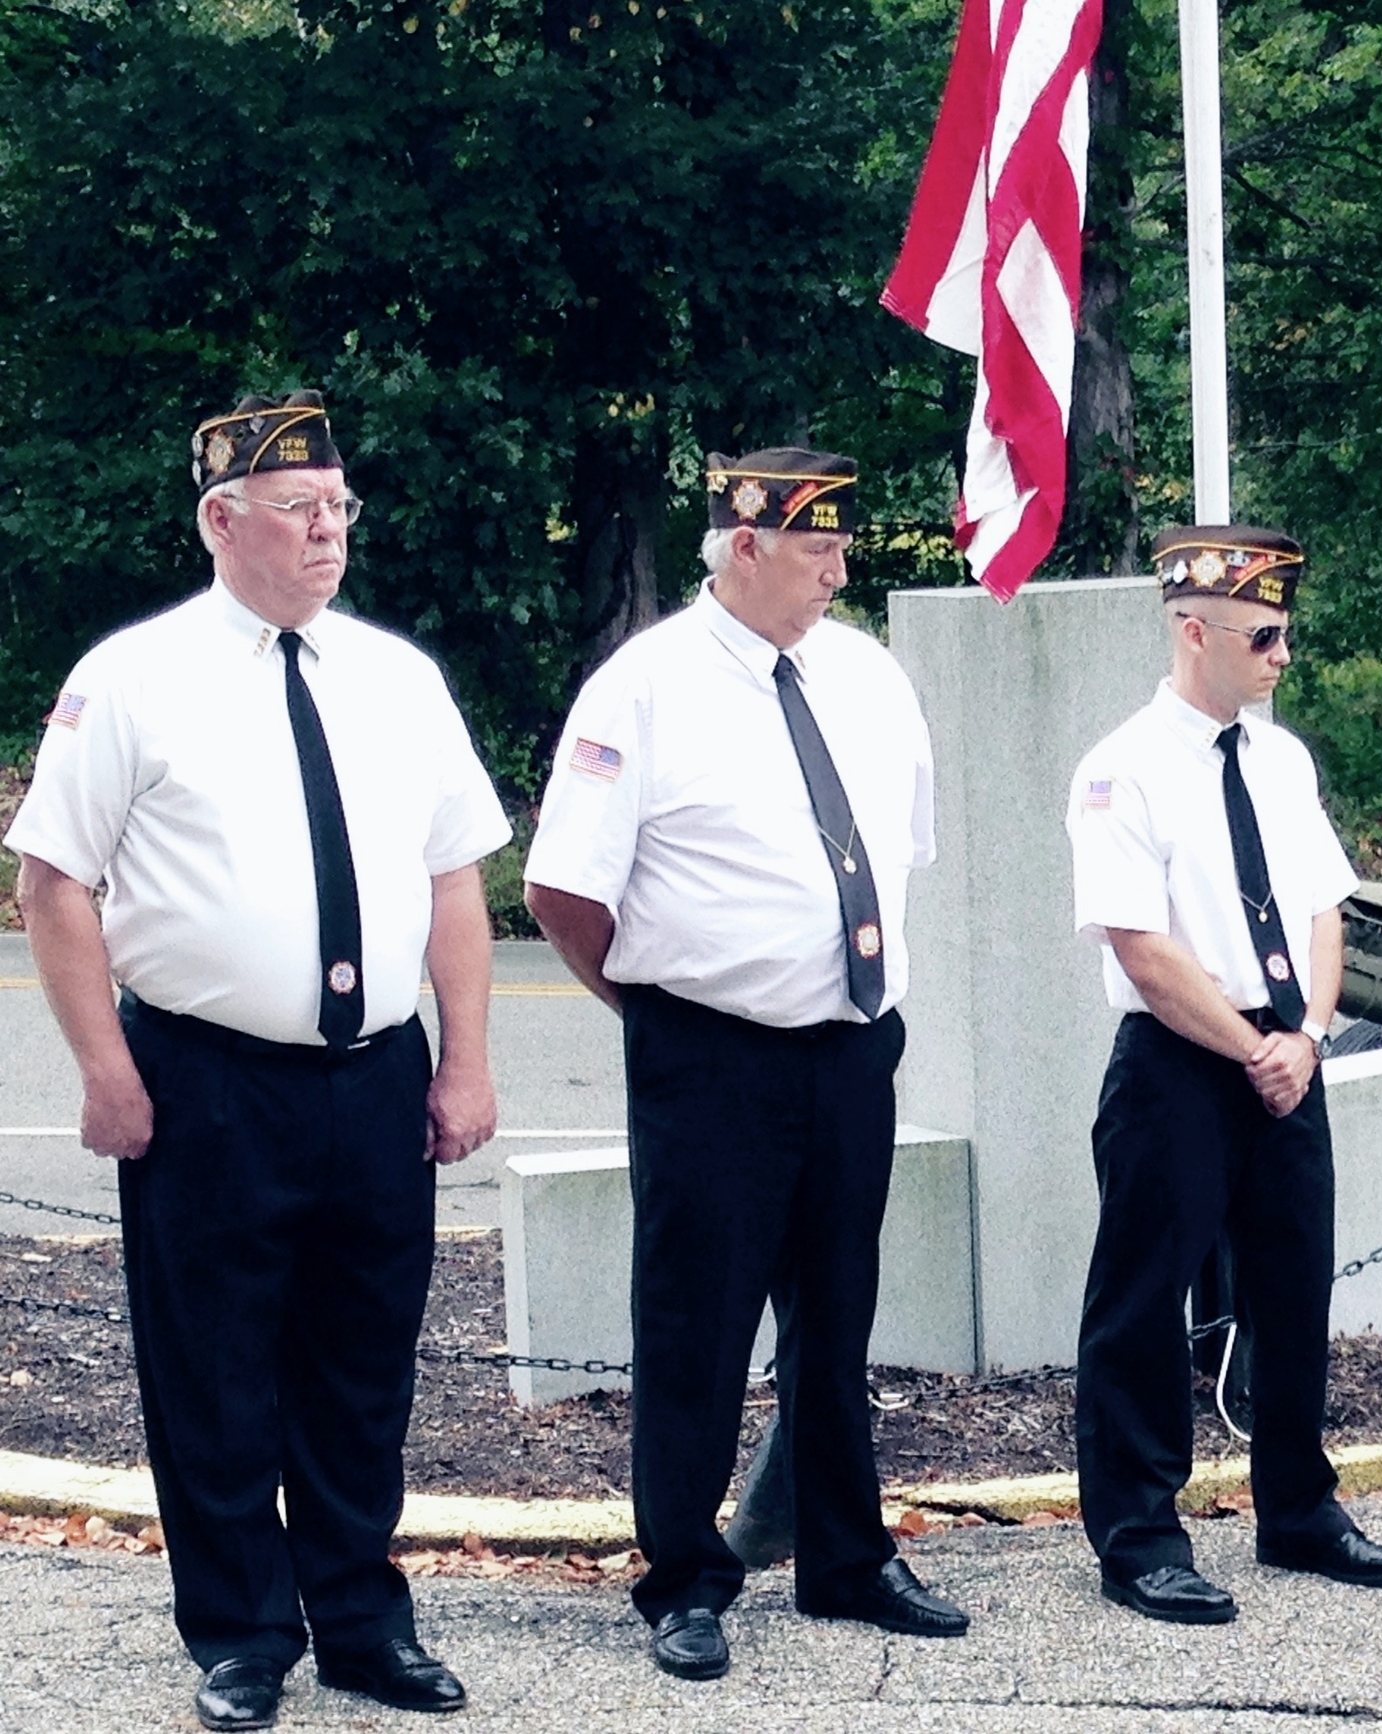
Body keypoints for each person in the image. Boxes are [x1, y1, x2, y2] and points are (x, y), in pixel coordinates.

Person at [5, 392, 509, 1731]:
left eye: (340, 506)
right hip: (208, 1081)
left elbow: (453, 877)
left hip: (375, 1075)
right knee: (215, 1369)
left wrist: (465, 1062)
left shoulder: (396, 676)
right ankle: (240, 1633)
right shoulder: (133, 678)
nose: (330, 531)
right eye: (301, 510)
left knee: (362, 1366)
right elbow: (54, 884)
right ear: (223, 519)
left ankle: (358, 1620)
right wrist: (107, 1069)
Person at [523, 447, 965, 1682]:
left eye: (841, 545)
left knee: (835, 1319)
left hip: (848, 1047)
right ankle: (683, 1577)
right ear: (744, 544)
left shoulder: (868, 676)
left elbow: (897, 852)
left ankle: (845, 1556)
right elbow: (564, 893)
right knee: (696, 1324)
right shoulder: (646, 687)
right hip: (708, 1054)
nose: (838, 567)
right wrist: (661, 1008)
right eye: (815, 546)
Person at [1066, 525, 1382, 1625]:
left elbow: (1321, 907)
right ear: (1193, 630)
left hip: (1285, 1055)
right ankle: (1139, 1536)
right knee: (1140, 1301)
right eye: (1263, 635)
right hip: (1180, 1060)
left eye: (1284, 634)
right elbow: (1139, 944)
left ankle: (1298, 1510)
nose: (1281, 656)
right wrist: (1250, 1044)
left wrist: (1305, 1035)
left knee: (1292, 1287)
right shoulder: (1120, 768)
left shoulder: (1281, 758)